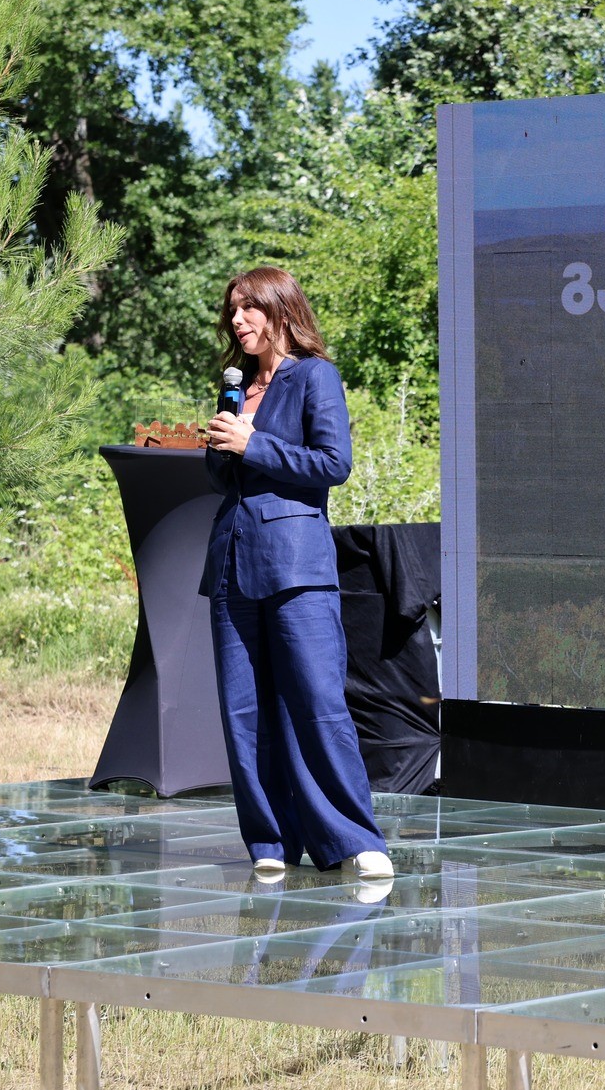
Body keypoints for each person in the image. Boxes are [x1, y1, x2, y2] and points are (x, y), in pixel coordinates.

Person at [201, 265, 393, 883]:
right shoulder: (235, 386)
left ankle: (355, 838)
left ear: (280, 310)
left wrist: (252, 443)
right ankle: (269, 840)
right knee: (244, 712)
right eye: (232, 310)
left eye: (248, 308)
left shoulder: (315, 376)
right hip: (231, 563)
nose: (237, 320)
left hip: (295, 564)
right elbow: (223, 479)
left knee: (316, 701)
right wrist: (222, 445)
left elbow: (334, 463)